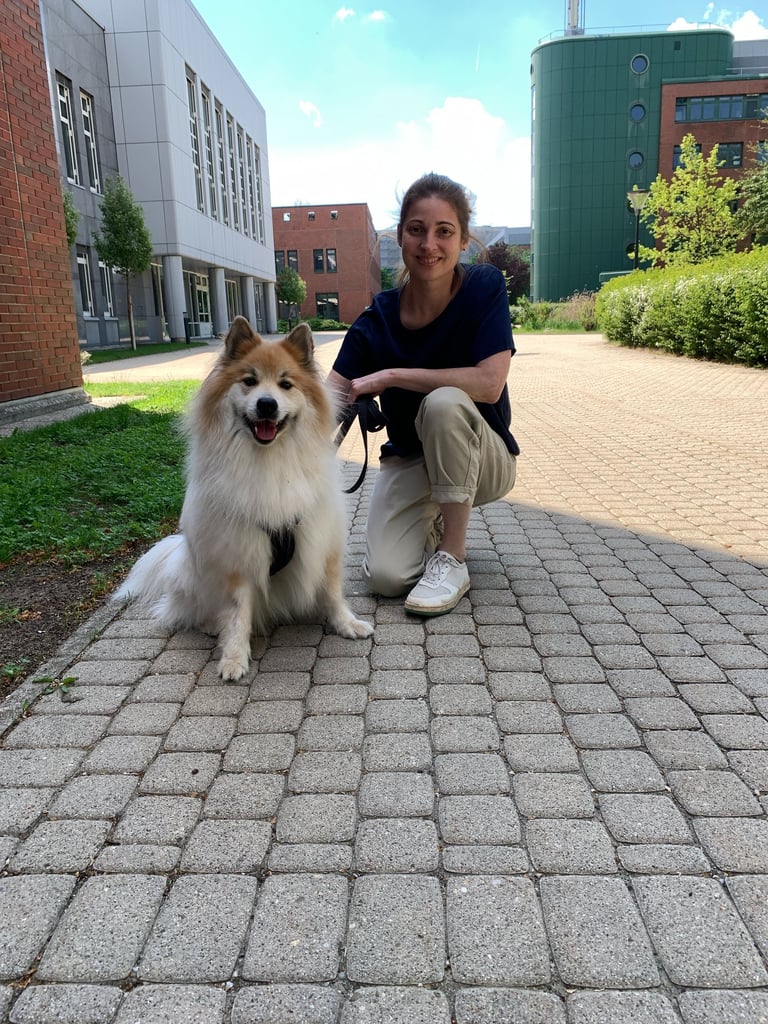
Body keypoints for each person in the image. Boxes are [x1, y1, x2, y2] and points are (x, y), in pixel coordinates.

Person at [327, 172, 519, 616]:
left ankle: (452, 558)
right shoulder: (379, 317)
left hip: (484, 457)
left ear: (464, 240)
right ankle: (431, 521)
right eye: (416, 229)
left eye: (443, 231)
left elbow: (490, 383)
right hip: (413, 459)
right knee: (385, 578)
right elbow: (328, 398)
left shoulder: (483, 287)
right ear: (400, 236)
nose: (429, 244)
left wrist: (392, 375)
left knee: (445, 402)